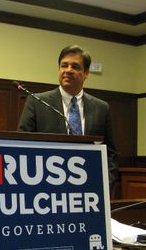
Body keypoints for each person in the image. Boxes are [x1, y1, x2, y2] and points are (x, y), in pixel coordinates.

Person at [18, 45, 118, 192]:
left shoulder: (101, 108)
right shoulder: (37, 102)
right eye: (64, 65)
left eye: (75, 66)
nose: (68, 70)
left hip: (90, 189)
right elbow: (21, 145)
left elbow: (111, 152)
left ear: (86, 73)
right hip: (46, 188)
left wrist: (106, 183)